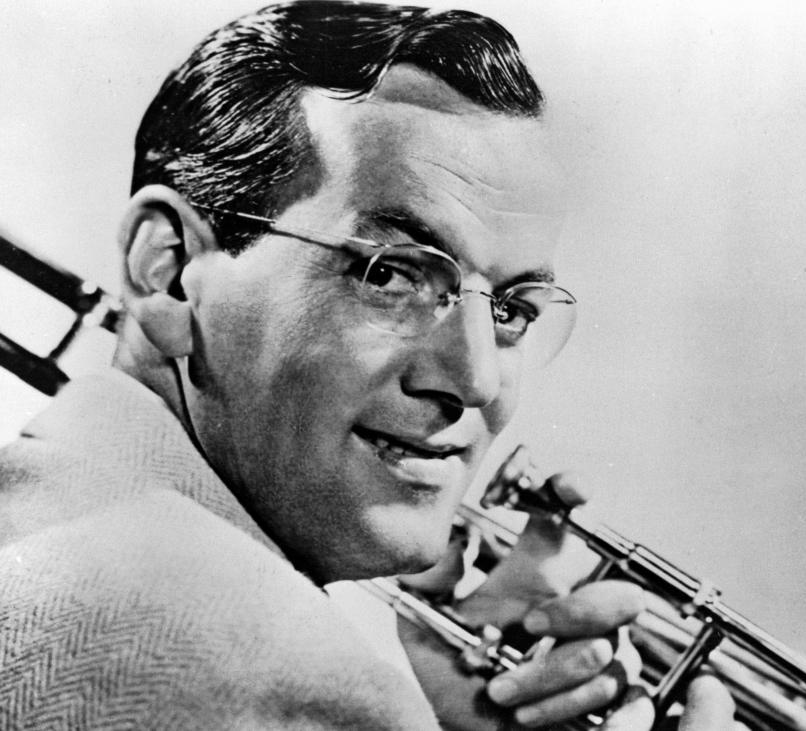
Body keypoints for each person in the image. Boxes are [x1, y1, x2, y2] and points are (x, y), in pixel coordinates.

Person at [0, 2, 736, 729]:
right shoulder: (289, 673)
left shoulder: (38, 510)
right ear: (167, 271)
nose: (475, 379)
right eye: (390, 274)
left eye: (511, 310)